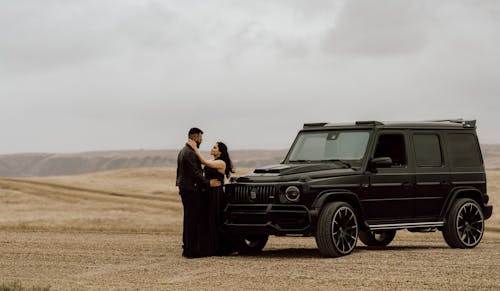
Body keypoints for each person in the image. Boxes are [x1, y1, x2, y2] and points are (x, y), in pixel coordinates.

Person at [176, 127, 220, 258]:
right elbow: (195, 173)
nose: (202, 140)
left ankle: (187, 247)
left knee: (189, 219)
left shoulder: (183, 150)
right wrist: (208, 183)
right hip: (191, 190)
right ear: (195, 137)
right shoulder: (189, 153)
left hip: (186, 188)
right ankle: (191, 251)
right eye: (200, 138)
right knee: (192, 220)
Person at [187, 139, 235, 255]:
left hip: (216, 194)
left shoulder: (221, 163)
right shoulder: (214, 160)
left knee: (215, 219)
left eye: (215, 148)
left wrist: (195, 148)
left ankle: (220, 247)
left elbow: (204, 162)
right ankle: (209, 246)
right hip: (208, 192)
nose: (212, 148)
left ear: (220, 152)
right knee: (208, 218)